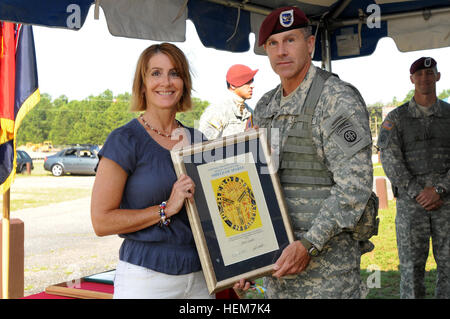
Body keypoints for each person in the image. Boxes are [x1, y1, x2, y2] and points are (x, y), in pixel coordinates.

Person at [234, 6, 374, 298]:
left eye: (290, 40)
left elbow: (355, 186)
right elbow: (257, 184)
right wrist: (244, 259)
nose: (281, 51)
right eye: (273, 43)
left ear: (310, 44)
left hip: (328, 276)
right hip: (278, 272)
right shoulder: (265, 106)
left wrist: (310, 243)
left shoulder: (336, 99)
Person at [90, 43, 212, 299]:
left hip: (202, 279)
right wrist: (166, 208)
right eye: (156, 73)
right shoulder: (124, 140)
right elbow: (101, 222)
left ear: (184, 83)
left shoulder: (200, 141)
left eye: (174, 73)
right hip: (146, 280)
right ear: (142, 84)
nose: (166, 82)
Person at [377, 57, 450, 299]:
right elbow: (390, 160)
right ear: (411, 79)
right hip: (411, 206)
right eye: (419, 74)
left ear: (437, 77)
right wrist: (419, 192)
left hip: (446, 204)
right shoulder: (396, 119)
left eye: (429, 73)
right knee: (411, 272)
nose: (424, 78)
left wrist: (439, 190)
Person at [198, 64, 258, 139]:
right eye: (247, 82)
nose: (252, 86)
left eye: (252, 81)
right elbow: (203, 145)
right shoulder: (217, 111)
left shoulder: (250, 113)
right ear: (233, 85)